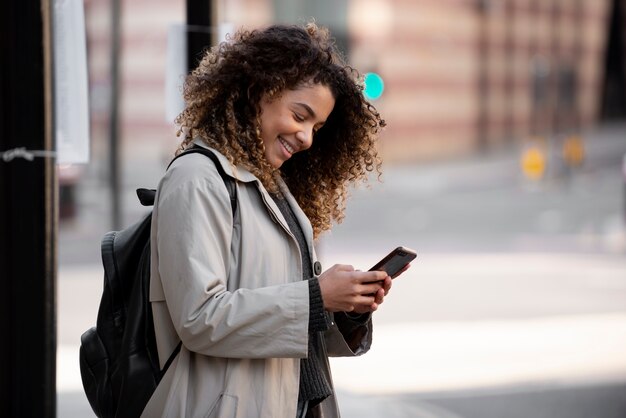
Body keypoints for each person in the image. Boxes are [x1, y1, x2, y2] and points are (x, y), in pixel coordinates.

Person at [142, 22, 409, 418]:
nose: (307, 138)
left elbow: (282, 328)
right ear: (258, 91)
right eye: (300, 116)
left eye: (317, 127)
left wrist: (346, 311)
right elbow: (199, 320)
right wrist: (318, 297)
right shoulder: (197, 178)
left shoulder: (273, 186)